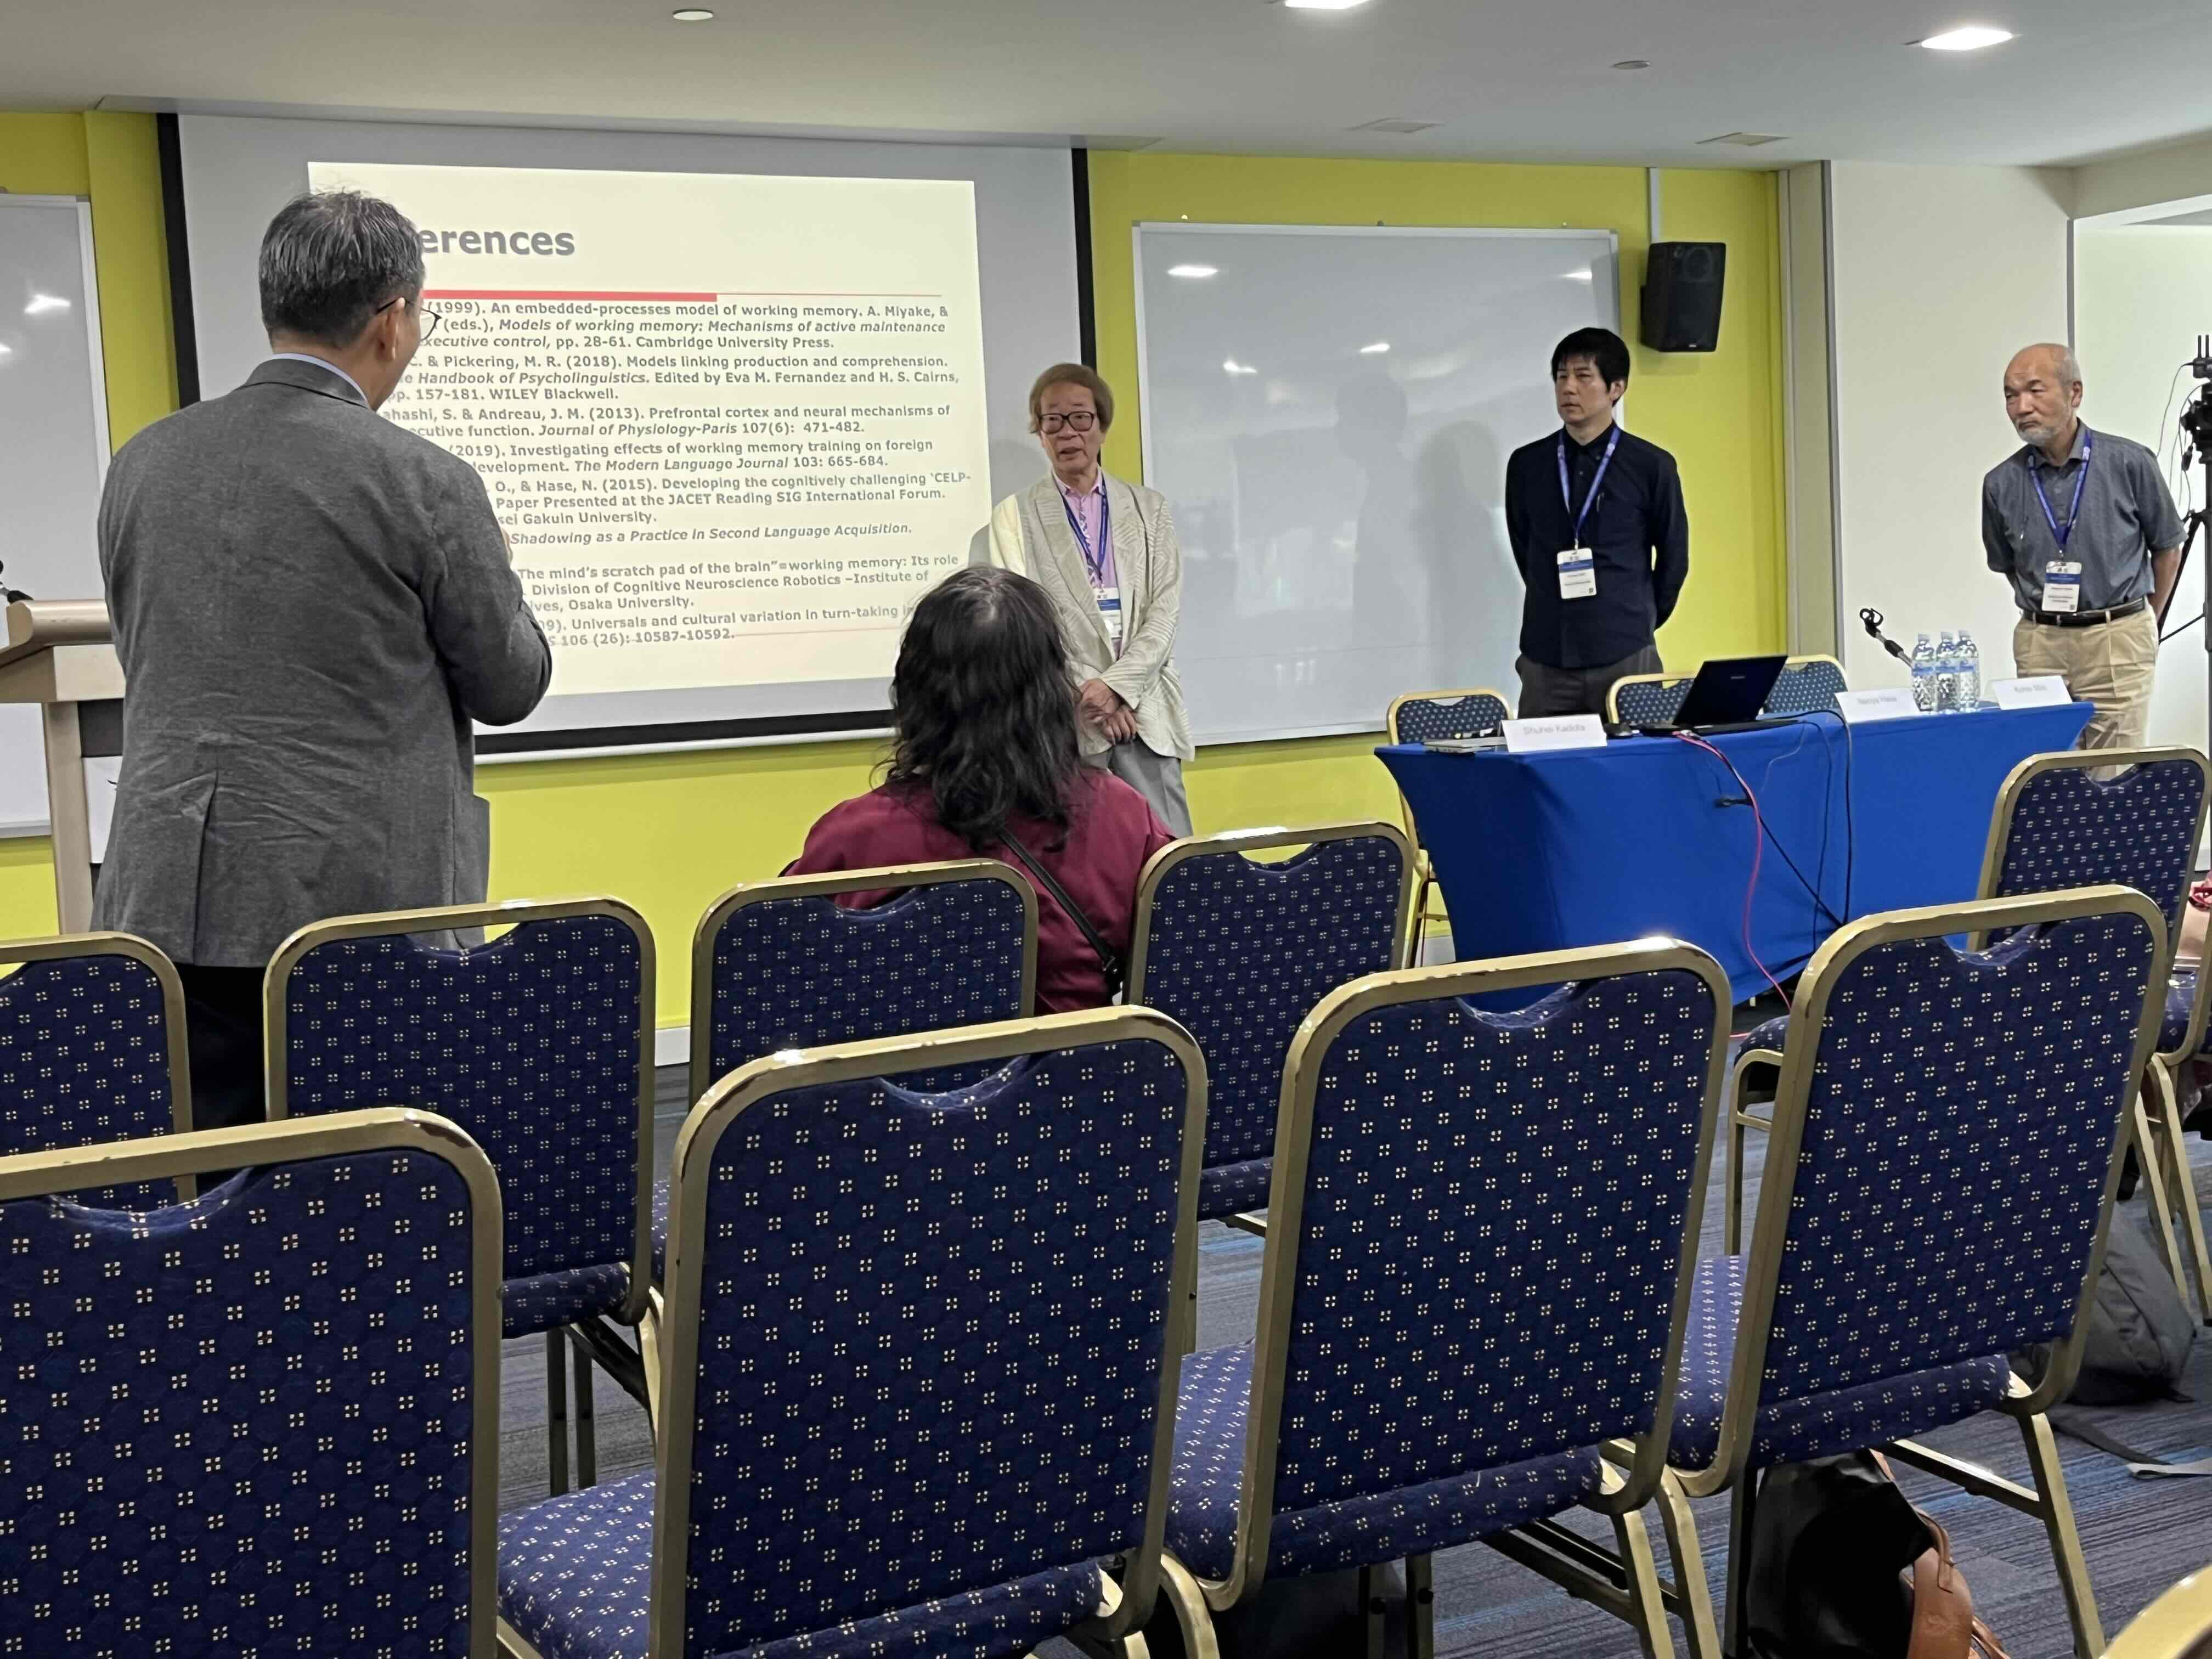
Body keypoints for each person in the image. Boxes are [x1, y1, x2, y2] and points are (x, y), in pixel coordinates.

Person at [94, 190, 550, 1131]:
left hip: (170, 898)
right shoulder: (426, 480)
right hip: (359, 912)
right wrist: (503, 574)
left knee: (204, 1169)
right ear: (392, 320)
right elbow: (510, 684)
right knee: (366, 1175)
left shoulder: (142, 462)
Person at [789, 566, 1175, 1013]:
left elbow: (778, 977)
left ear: (914, 690)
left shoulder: (855, 837)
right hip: (1080, 1058)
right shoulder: (1122, 814)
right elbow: (1182, 964)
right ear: (1052, 687)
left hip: (903, 1061)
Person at [986, 363, 1195, 837]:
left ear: (1101, 426)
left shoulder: (1150, 509)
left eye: (1080, 417)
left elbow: (1165, 612)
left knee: (1170, 853)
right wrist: (1094, 693)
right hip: (1067, 718)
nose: (1067, 432)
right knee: (1080, 856)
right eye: (1052, 420)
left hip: (1146, 711)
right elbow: (1027, 626)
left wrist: (1119, 688)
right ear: (1039, 433)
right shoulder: (1013, 516)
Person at [1984, 343, 2182, 752]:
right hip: (2040, 643)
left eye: (2035, 390)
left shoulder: (2130, 462)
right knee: (2045, 770)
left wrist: (2144, 622)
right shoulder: (2000, 482)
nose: (2021, 407)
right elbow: (2008, 565)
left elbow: (2167, 548)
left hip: (2117, 637)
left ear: (2074, 393)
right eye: (2010, 395)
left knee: (2115, 772)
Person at [1504, 327, 1691, 719]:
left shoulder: (1651, 466)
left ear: (1616, 388)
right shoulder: (1528, 465)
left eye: (1583, 376)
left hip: (1625, 653)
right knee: (1542, 757)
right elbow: (1525, 548)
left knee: (1639, 756)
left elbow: (1674, 558)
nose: (1568, 388)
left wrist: (1639, 619)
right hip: (1547, 655)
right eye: (1561, 376)